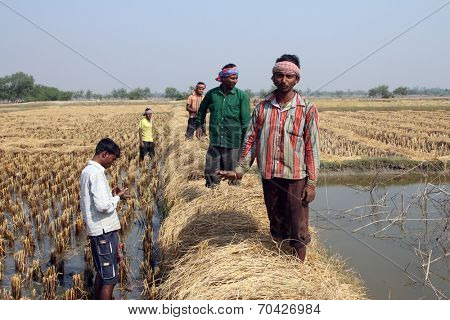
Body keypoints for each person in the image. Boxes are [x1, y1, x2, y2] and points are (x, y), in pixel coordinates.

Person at [217, 54, 320, 261]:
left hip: (295, 176)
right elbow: (250, 141)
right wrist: (239, 171)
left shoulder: (307, 108)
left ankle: (299, 267)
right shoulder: (262, 107)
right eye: (279, 75)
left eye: (289, 76)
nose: (284, 80)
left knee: (297, 224)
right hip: (269, 174)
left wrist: (312, 183)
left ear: (297, 79)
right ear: (272, 78)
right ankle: (281, 260)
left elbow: (312, 148)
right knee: (276, 220)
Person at [80, 138, 128, 299]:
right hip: (103, 232)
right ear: (104, 154)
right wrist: (116, 199)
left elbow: (99, 201)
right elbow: (103, 206)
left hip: (99, 231)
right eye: (112, 159)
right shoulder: (96, 173)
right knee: (110, 279)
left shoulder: (88, 171)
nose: (112, 163)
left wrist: (112, 196)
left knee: (102, 273)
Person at [195, 63, 250, 188]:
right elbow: (202, 109)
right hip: (215, 140)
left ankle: (233, 195)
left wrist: (247, 142)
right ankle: (212, 191)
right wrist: (199, 124)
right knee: (210, 171)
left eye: (236, 78)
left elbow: (246, 121)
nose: (235, 81)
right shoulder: (212, 94)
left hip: (234, 142)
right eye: (232, 78)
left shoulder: (241, 96)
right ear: (224, 78)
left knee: (233, 174)